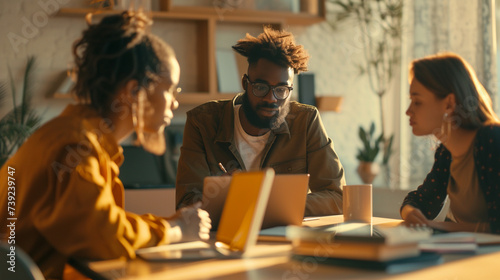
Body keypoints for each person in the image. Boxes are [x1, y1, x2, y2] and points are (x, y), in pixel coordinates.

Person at [0, 11, 211, 279]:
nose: (175, 102)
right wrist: (177, 231)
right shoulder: (75, 146)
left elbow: (102, 221)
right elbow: (103, 236)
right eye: (170, 89)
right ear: (134, 91)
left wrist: (173, 222)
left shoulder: (71, 135)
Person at [175, 26, 345, 216]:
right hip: (222, 239)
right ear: (245, 84)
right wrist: (221, 195)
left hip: (284, 238)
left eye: (281, 89)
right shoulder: (202, 123)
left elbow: (337, 197)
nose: (271, 99)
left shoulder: (305, 121)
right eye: (261, 87)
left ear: (290, 89)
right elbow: (186, 205)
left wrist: (262, 203)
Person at [400, 52, 500, 234]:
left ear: (449, 104)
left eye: (417, 101)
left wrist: (436, 226)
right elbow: (422, 203)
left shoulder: (492, 139)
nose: (408, 111)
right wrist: (411, 212)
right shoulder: (447, 150)